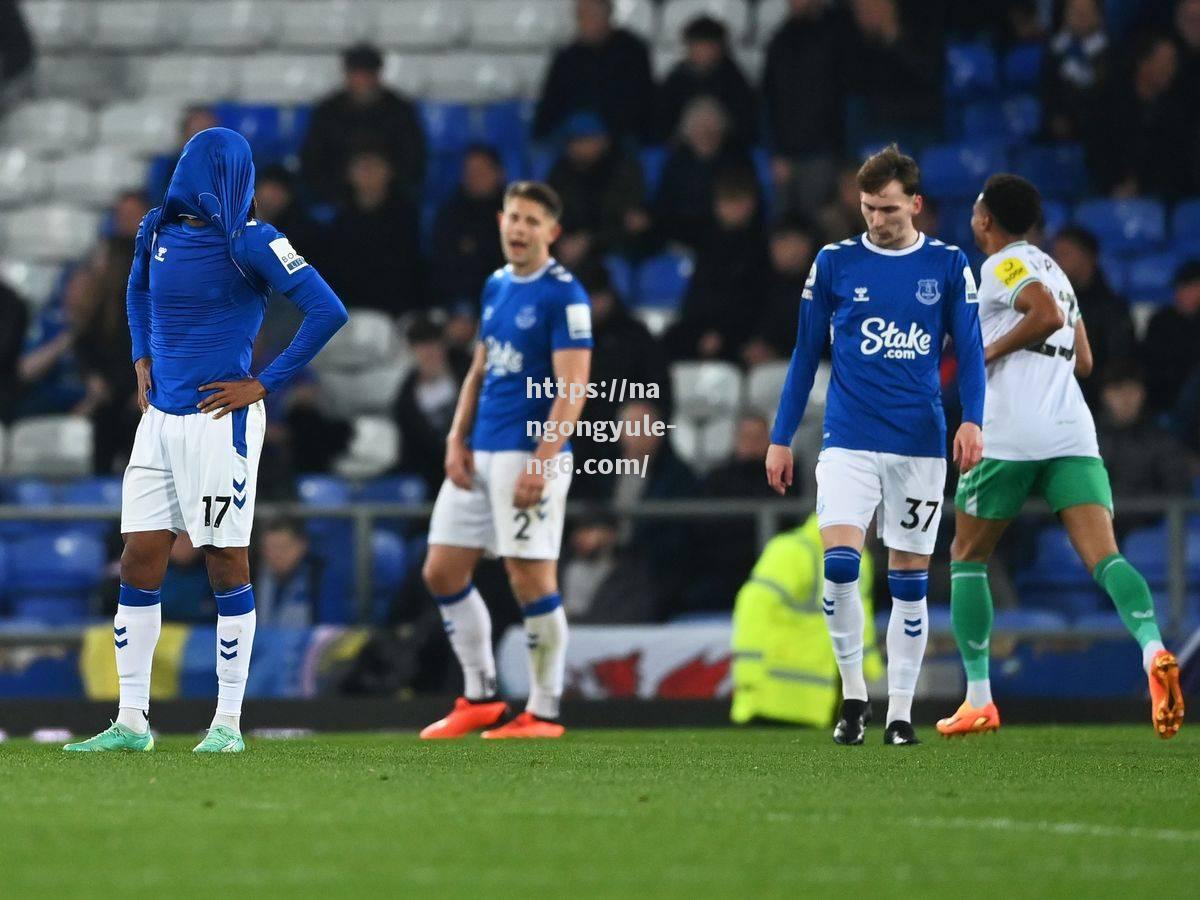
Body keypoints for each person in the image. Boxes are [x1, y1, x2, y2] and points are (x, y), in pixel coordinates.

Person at [63, 128, 349, 754]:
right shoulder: (156, 232)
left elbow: (328, 310)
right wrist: (141, 356)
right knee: (139, 558)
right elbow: (135, 290)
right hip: (158, 420)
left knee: (225, 560)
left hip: (221, 421)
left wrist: (264, 384)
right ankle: (131, 720)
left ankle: (226, 722)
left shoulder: (255, 240)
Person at [939, 173, 1183, 740]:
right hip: (1071, 429)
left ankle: (979, 700)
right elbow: (1086, 360)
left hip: (1010, 432)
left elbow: (1044, 315)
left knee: (967, 557)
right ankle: (1153, 652)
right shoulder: (1056, 268)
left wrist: (985, 353)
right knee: (1106, 557)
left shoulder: (1002, 266)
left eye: (977, 210)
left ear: (986, 220)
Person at [765, 144, 986, 746]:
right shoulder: (835, 263)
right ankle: (854, 699)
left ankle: (899, 713)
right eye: (867, 208)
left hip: (919, 443)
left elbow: (968, 351)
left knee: (909, 579)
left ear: (914, 204)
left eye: (888, 209)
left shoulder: (947, 264)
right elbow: (805, 354)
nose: (876, 220)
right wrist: (780, 438)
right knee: (839, 565)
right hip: (849, 438)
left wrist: (973, 420)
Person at [419, 182, 592, 740]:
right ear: (500, 221)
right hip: (480, 451)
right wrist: (455, 437)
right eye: (513, 217)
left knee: (530, 579)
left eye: (532, 221)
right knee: (442, 569)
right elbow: (480, 370)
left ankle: (544, 711)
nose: (519, 229)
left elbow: (573, 387)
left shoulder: (564, 296)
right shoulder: (495, 285)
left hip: (528, 451)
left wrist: (543, 461)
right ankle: (481, 695)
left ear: (552, 232)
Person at [300, 43, 426, 205]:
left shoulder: (400, 110)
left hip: (392, 200)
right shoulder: (327, 112)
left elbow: (414, 159)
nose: (362, 80)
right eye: (357, 73)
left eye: (367, 74)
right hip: (340, 199)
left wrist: (384, 176)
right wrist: (347, 177)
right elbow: (313, 161)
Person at [665, 168, 769, 363]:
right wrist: (703, 333)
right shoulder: (707, 245)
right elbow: (697, 299)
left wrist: (723, 334)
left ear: (752, 203)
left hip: (741, 334)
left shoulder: (762, 248)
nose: (732, 209)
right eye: (726, 201)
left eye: (738, 201)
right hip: (703, 330)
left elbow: (756, 300)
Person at [312, 144, 424, 316]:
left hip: (396, 312)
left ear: (389, 172)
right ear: (349, 174)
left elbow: (406, 273)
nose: (368, 173)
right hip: (349, 310)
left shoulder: (406, 216)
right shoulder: (340, 219)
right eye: (362, 167)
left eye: (375, 166)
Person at [761, 0, 848, 217]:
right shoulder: (780, 41)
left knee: (817, 222)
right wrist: (776, 151)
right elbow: (768, 99)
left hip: (822, 151)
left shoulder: (836, 34)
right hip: (786, 154)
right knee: (783, 223)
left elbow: (844, 96)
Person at [533, 0, 654, 143]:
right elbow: (550, 106)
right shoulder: (567, 57)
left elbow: (639, 104)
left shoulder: (632, 52)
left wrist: (602, 136)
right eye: (581, 15)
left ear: (607, 15)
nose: (585, 21)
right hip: (571, 141)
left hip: (619, 140)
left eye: (591, 15)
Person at [546, 113, 648, 266]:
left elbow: (630, 221)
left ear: (603, 140)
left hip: (613, 247)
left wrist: (589, 240)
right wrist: (562, 239)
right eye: (573, 140)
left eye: (584, 139)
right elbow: (551, 213)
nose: (577, 147)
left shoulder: (623, 169)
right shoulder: (561, 172)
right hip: (568, 246)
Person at [1050, 225, 1135, 405]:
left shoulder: (1112, 307)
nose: (1057, 262)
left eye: (1065, 254)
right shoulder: (1052, 301)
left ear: (1088, 256)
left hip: (1097, 395)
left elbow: (1118, 360)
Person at [393, 316, 470, 495]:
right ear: (412, 351)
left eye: (433, 344)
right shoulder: (406, 396)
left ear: (443, 346)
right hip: (429, 474)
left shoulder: (467, 376)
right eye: (421, 346)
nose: (428, 353)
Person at [655, 15, 758, 147]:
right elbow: (662, 123)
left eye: (707, 46)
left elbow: (745, 125)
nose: (702, 52)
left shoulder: (734, 80)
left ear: (719, 48)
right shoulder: (676, 79)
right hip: (683, 151)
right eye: (697, 45)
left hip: (726, 151)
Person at [428, 146, 506, 309]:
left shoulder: (517, 215)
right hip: (458, 307)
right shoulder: (450, 214)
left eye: (481, 171)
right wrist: (462, 307)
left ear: (499, 173)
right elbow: (443, 268)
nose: (474, 177)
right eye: (469, 171)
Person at [1041, 0, 1111, 143]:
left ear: (1098, 16)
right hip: (1058, 132)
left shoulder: (1111, 54)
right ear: (1065, 15)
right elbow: (1046, 90)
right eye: (1075, 11)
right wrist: (1056, 117)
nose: (1080, 16)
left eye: (1086, 12)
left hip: (1099, 132)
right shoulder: (1053, 50)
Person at [1140, 260, 1200, 414]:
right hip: (1164, 402)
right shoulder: (1161, 321)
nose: (1180, 293)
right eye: (1179, 287)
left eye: (1188, 287)